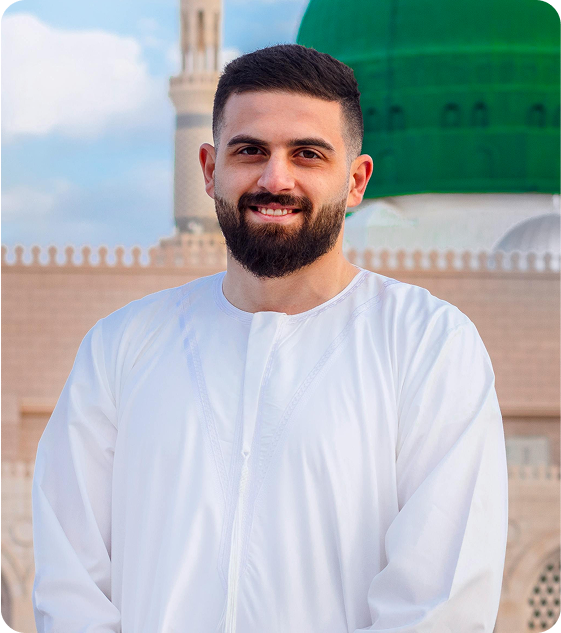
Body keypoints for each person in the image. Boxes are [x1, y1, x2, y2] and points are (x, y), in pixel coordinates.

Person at [32, 44, 508, 633]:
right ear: (210, 170)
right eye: (250, 151)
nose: (275, 178)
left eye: (307, 154)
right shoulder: (120, 350)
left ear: (356, 181)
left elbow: (438, 607)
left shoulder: (426, 346)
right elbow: (71, 592)